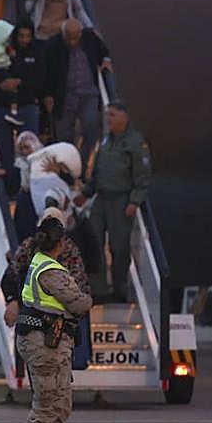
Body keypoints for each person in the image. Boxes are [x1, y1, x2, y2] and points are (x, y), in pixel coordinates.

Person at [14, 215, 97, 423]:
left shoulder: (38, 263)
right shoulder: (50, 269)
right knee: (47, 402)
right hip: (45, 342)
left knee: (59, 402)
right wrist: (87, 298)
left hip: (49, 341)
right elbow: (77, 303)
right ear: (60, 242)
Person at [77, 101, 152, 302]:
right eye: (107, 115)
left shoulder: (136, 142)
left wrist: (135, 201)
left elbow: (143, 176)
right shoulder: (104, 141)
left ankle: (119, 289)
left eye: (112, 115)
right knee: (94, 241)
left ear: (123, 117)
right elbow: (97, 172)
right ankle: (98, 288)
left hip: (121, 200)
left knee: (119, 247)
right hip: (100, 198)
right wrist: (85, 192)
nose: (108, 119)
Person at [2, 206, 89, 329]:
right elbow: (9, 277)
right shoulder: (28, 247)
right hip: (31, 318)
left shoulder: (70, 252)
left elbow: (80, 291)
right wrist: (12, 301)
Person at [44, 19, 111, 157]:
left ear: (80, 33)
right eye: (69, 38)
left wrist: (105, 60)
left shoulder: (90, 38)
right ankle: (68, 168)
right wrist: (48, 95)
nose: (72, 42)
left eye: (75, 37)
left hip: (88, 93)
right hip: (65, 96)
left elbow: (104, 51)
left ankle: (82, 161)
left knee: (91, 130)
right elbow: (45, 73)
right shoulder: (52, 45)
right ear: (63, 34)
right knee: (64, 136)